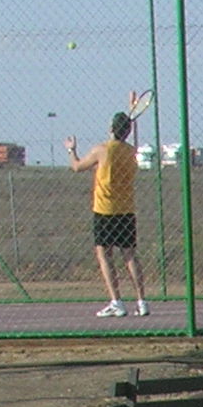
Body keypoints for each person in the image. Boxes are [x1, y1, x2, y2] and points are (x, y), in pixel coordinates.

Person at [66, 95, 149, 319]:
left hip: (105, 210)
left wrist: (71, 150)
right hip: (126, 210)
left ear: (111, 128)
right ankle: (142, 301)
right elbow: (131, 137)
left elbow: (77, 167)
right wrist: (132, 111)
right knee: (130, 255)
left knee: (104, 255)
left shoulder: (101, 150)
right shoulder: (131, 151)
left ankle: (116, 302)